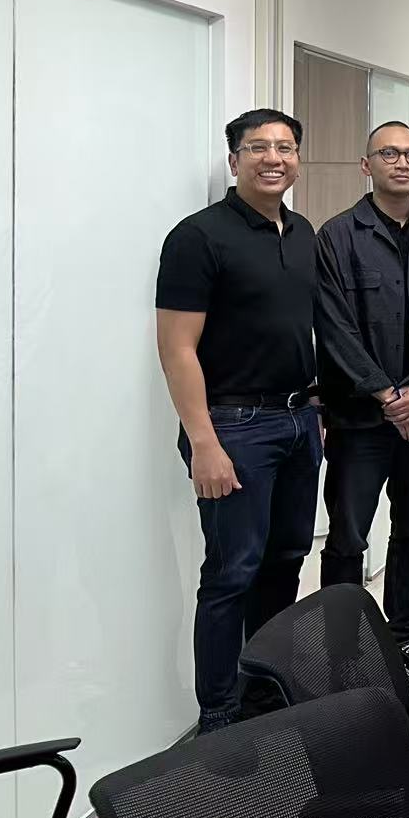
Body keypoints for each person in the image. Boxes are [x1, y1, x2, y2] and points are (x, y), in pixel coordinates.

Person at [155, 109, 321, 733]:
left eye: (285, 147)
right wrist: (204, 441)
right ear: (234, 160)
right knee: (232, 573)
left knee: (285, 562)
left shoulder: (301, 232)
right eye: (258, 148)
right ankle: (220, 715)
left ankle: (264, 697)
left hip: (297, 421)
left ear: (297, 159)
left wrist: (315, 411)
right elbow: (177, 349)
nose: (273, 158)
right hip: (233, 427)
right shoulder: (198, 237)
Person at [314, 121, 409, 676]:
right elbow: (334, 326)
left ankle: (403, 638)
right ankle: (341, 654)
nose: (402, 163)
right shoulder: (336, 236)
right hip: (359, 420)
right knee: (348, 537)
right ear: (366, 164)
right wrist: (388, 397)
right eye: (389, 153)